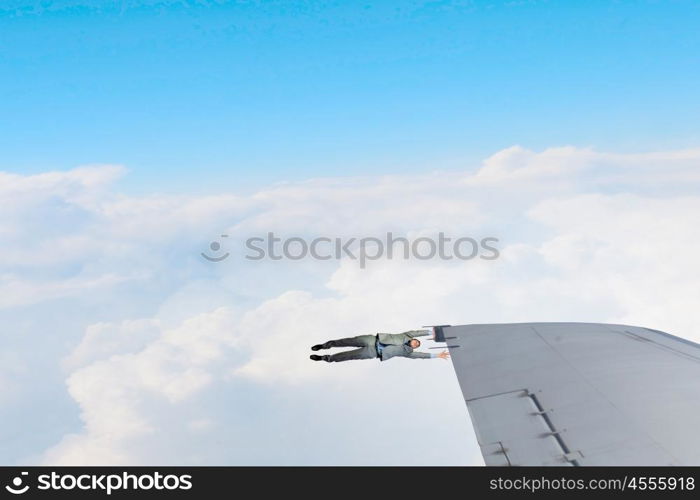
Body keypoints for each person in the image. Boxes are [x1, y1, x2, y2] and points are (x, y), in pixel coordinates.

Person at [309, 328, 450, 363]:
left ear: (414, 347)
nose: (416, 342)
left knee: (347, 356)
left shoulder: (407, 352)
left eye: (417, 344)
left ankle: (324, 358)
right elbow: (416, 332)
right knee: (346, 341)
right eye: (416, 340)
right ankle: (324, 345)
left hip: (373, 353)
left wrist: (437, 355)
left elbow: (421, 356)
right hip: (372, 340)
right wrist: (430, 333)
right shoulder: (406, 335)